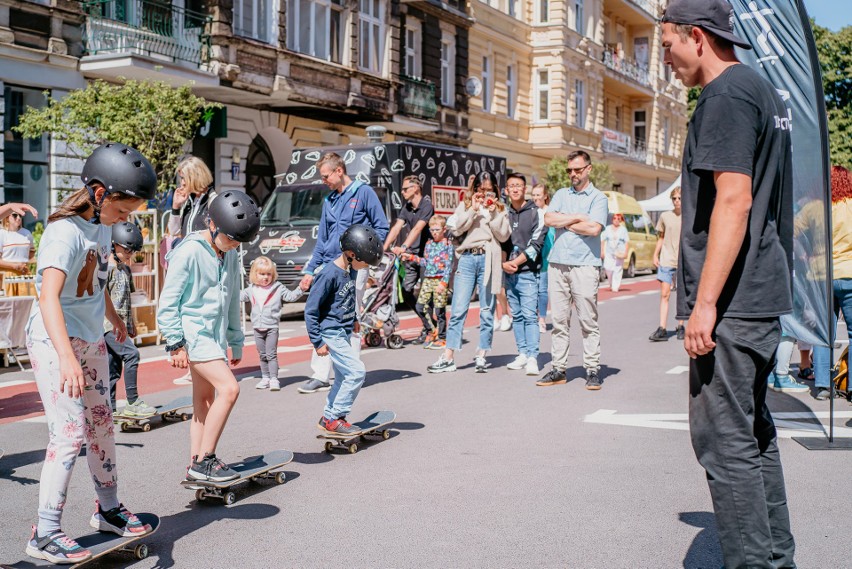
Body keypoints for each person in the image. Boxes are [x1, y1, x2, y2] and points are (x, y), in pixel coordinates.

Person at [662, 2, 797, 567]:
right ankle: (775, 559)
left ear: (697, 37)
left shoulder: (725, 96)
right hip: (759, 295)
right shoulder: (758, 89)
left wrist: (706, 304)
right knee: (753, 433)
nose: (665, 58)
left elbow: (735, 199)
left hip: (735, 304)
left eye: (667, 43)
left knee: (724, 442)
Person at [24, 142, 155, 563]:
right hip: (53, 339)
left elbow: (94, 280)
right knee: (69, 434)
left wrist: (112, 316)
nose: (125, 219)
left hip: (90, 338)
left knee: (101, 426)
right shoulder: (64, 232)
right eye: (122, 211)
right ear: (99, 194)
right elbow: (48, 299)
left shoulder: (99, 228)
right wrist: (65, 356)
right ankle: (44, 533)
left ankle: (108, 508)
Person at [157, 190, 261, 483]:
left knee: (203, 401)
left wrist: (236, 338)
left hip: (214, 339)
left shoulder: (228, 253)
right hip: (194, 336)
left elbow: (229, 301)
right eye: (231, 238)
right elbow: (168, 302)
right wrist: (175, 343)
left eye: (240, 241)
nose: (235, 245)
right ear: (212, 224)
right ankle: (206, 460)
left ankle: (195, 461)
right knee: (230, 390)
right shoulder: (189, 251)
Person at [297, 152, 389, 394]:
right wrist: (310, 269)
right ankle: (320, 374)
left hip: (354, 264)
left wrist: (367, 256)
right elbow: (323, 239)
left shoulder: (363, 193)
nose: (323, 180)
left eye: (326, 176)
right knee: (324, 315)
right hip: (330, 265)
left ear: (339, 171)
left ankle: (349, 370)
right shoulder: (329, 200)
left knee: (349, 316)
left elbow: (381, 226)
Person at [537, 150, 608, 390]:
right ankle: (558, 369)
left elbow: (594, 229)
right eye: (570, 170)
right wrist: (577, 217)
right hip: (557, 263)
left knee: (588, 320)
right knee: (559, 320)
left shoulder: (598, 198)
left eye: (577, 170)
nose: (573, 174)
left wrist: (564, 219)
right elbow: (548, 219)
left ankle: (592, 369)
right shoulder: (560, 194)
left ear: (588, 169)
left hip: (585, 265)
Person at [427, 173, 510, 374]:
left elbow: (504, 234)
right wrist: (473, 209)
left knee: (487, 309)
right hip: (466, 258)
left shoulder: (500, 208)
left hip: (488, 256)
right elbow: (455, 229)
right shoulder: (465, 205)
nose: (484, 194)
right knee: (458, 309)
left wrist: (491, 214)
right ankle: (449, 356)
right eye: (481, 189)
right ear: (475, 189)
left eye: (489, 190)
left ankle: (481, 353)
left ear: (495, 190)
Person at [306, 224, 383, 435]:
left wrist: (355, 318)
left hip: (344, 331)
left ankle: (327, 416)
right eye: (364, 261)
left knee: (342, 377)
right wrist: (317, 342)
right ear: (351, 254)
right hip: (330, 333)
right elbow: (311, 310)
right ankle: (335, 417)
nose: (365, 266)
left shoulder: (350, 270)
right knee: (357, 372)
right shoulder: (328, 274)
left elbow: (348, 299)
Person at [105, 222, 155, 417]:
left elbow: (127, 300)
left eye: (132, 251)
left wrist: (131, 324)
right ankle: (133, 401)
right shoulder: (106, 269)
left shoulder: (125, 270)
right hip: (108, 326)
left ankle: (110, 410)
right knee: (132, 354)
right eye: (126, 249)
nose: (129, 254)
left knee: (113, 368)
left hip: (121, 326)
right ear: (113, 244)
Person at [811, 165, 852, 400]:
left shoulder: (819, 208)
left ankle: (824, 386)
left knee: (824, 332)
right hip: (849, 274)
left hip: (823, 276)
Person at [502, 173, 546, 376]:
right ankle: (522, 353)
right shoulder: (504, 213)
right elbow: (501, 241)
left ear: (525, 188)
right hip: (509, 273)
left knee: (530, 316)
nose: (515, 189)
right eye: (512, 186)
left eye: (519, 185)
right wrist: (504, 263)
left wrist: (513, 262)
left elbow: (536, 246)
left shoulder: (537, 213)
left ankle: (532, 357)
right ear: (507, 190)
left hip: (528, 272)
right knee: (517, 316)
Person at [241, 256, 305, 391]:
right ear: (255, 274)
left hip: (271, 327)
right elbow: (237, 296)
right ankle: (265, 378)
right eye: (262, 274)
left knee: (271, 354)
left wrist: (301, 289)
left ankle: (274, 379)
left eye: (268, 274)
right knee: (262, 354)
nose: (265, 277)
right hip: (257, 327)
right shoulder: (251, 289)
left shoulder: (278, 287)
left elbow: (291, 297)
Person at [383, 175, 434, 344]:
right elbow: (397, 227)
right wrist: (384, 249)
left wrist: (403, 247)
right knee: (406, 290)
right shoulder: (407, 207)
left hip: (427, 256)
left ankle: (431, 330)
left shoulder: (427, 206)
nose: (402, 192)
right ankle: (429, 324)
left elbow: (418, 228)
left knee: (427, 295)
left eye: (405, 189)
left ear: (416, 189)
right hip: (411, 255)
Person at [404, 215, 454, 350]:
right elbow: (426, 262)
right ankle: (432, 329)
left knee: (440, 310)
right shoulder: (428, 244)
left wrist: (444, 283)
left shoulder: (448, 245)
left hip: (439, 280)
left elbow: (449, 266)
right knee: (420, 306)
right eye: (432, 230)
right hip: (428, 279)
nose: (434, 233)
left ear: (444, 229)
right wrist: (412, 257)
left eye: (437, 230)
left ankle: (442, 338)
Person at [649, 187, 685, 341]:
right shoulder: (665, 216)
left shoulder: (689, 216)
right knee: (665, 294)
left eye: (679, 198)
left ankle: (680, 326)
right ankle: (662, 328)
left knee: (681, 296)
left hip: (683, 260)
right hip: (667, 259)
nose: (676, 201)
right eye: (674, 198)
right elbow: (661, 237)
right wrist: (655, 254)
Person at [531, 184, 554, 334]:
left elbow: (553, 234)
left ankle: (542, 319)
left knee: (542, 289)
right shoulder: (530, 211)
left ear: (545, 196)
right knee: (532, 288)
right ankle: (532, 318)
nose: (535, 198)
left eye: (538, 195)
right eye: (533, 195)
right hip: (532, 254)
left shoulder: (550, 212)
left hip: (546, 254)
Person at [0, 205, 35, 276]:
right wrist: (14, 266)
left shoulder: (27, 233)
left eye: (20, 215)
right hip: (7, 275)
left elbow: (31, 254)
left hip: (24, 273)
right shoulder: (2, 234)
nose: (18, 218)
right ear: (7, 218)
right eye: (15, 215)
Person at [600, 213, 629, 292]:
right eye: (614, 218)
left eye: (618, 219)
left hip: (619, 253)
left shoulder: (623, 230)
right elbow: (602, 240)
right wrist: (602, 251)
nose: (616, 220)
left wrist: (626, 253)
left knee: (618, 269)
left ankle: (615, 286)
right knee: (608, 268)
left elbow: (626, 242)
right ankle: (611, 283)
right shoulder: (608, 228)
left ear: (621, 220)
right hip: (609, 252)